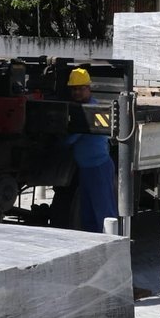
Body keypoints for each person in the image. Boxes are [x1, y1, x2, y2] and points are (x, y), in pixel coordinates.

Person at [64, 67, 116, 233]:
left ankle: (111, 246)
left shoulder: (90, 111)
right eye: (74, 89)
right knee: (88, 214)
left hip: (98, 168)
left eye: (81, 89)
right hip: (87, 169)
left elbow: (70, 139)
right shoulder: (80, 108)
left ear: (89, 88)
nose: (77, 93)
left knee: (104, 213)